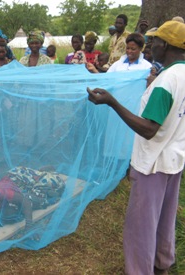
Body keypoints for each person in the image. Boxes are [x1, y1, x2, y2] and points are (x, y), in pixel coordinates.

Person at [86, 20, 185, 275]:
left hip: (153, 164)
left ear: (165, 44)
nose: (152, 46)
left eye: (155, 41)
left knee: (141, 225)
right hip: (174, 161)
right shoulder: (178, 74)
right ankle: (162, 264)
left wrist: (111, 102)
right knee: (165, 219)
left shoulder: (166, 81)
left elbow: (149, 129)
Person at [0, 166, 66, 230]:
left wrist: (29, 224)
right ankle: (40, 175)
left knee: (57, 185)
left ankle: (45, 173)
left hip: (19, 177)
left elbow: (24, 201)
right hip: (14, 183)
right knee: (13, 210)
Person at [87, 33, 152, 73]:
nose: (129, 51)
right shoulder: (118, 64)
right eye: (128, 48)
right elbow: (107, 79)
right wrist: (94, 69)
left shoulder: (147, 67)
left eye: (133, 49)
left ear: (140, 48)